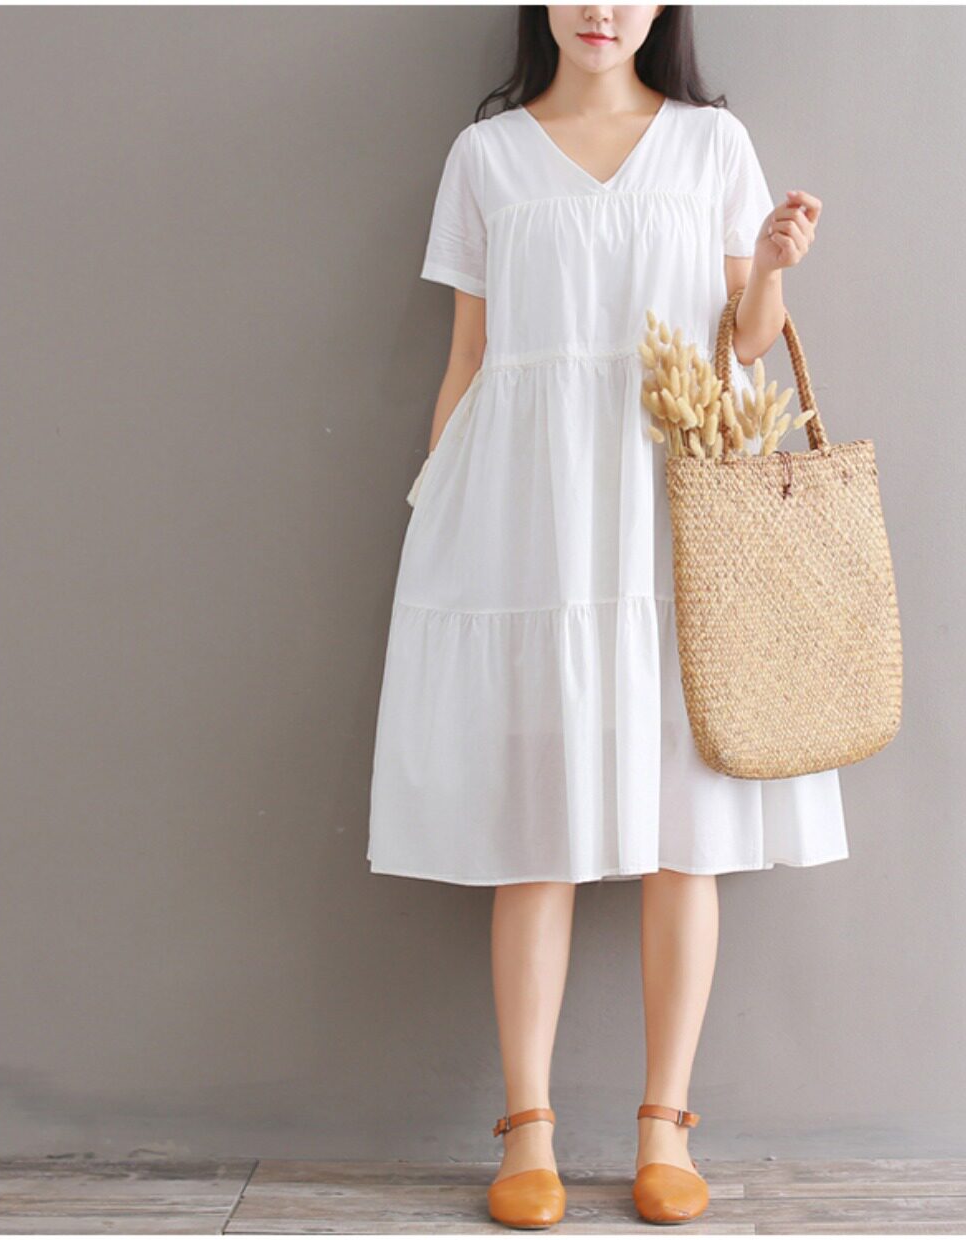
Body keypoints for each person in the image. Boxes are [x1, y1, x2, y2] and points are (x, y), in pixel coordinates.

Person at [368, 4, 846, 1228]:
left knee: (689, 825)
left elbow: (743, 342)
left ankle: (663, 1125)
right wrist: (438, 505)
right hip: (527, 517)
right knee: (533, 825)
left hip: (673, 507)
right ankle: (525, 1129)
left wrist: (773, 263)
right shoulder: (485, 156)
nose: (600, 8)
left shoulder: (709, 143)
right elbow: (470, 355)